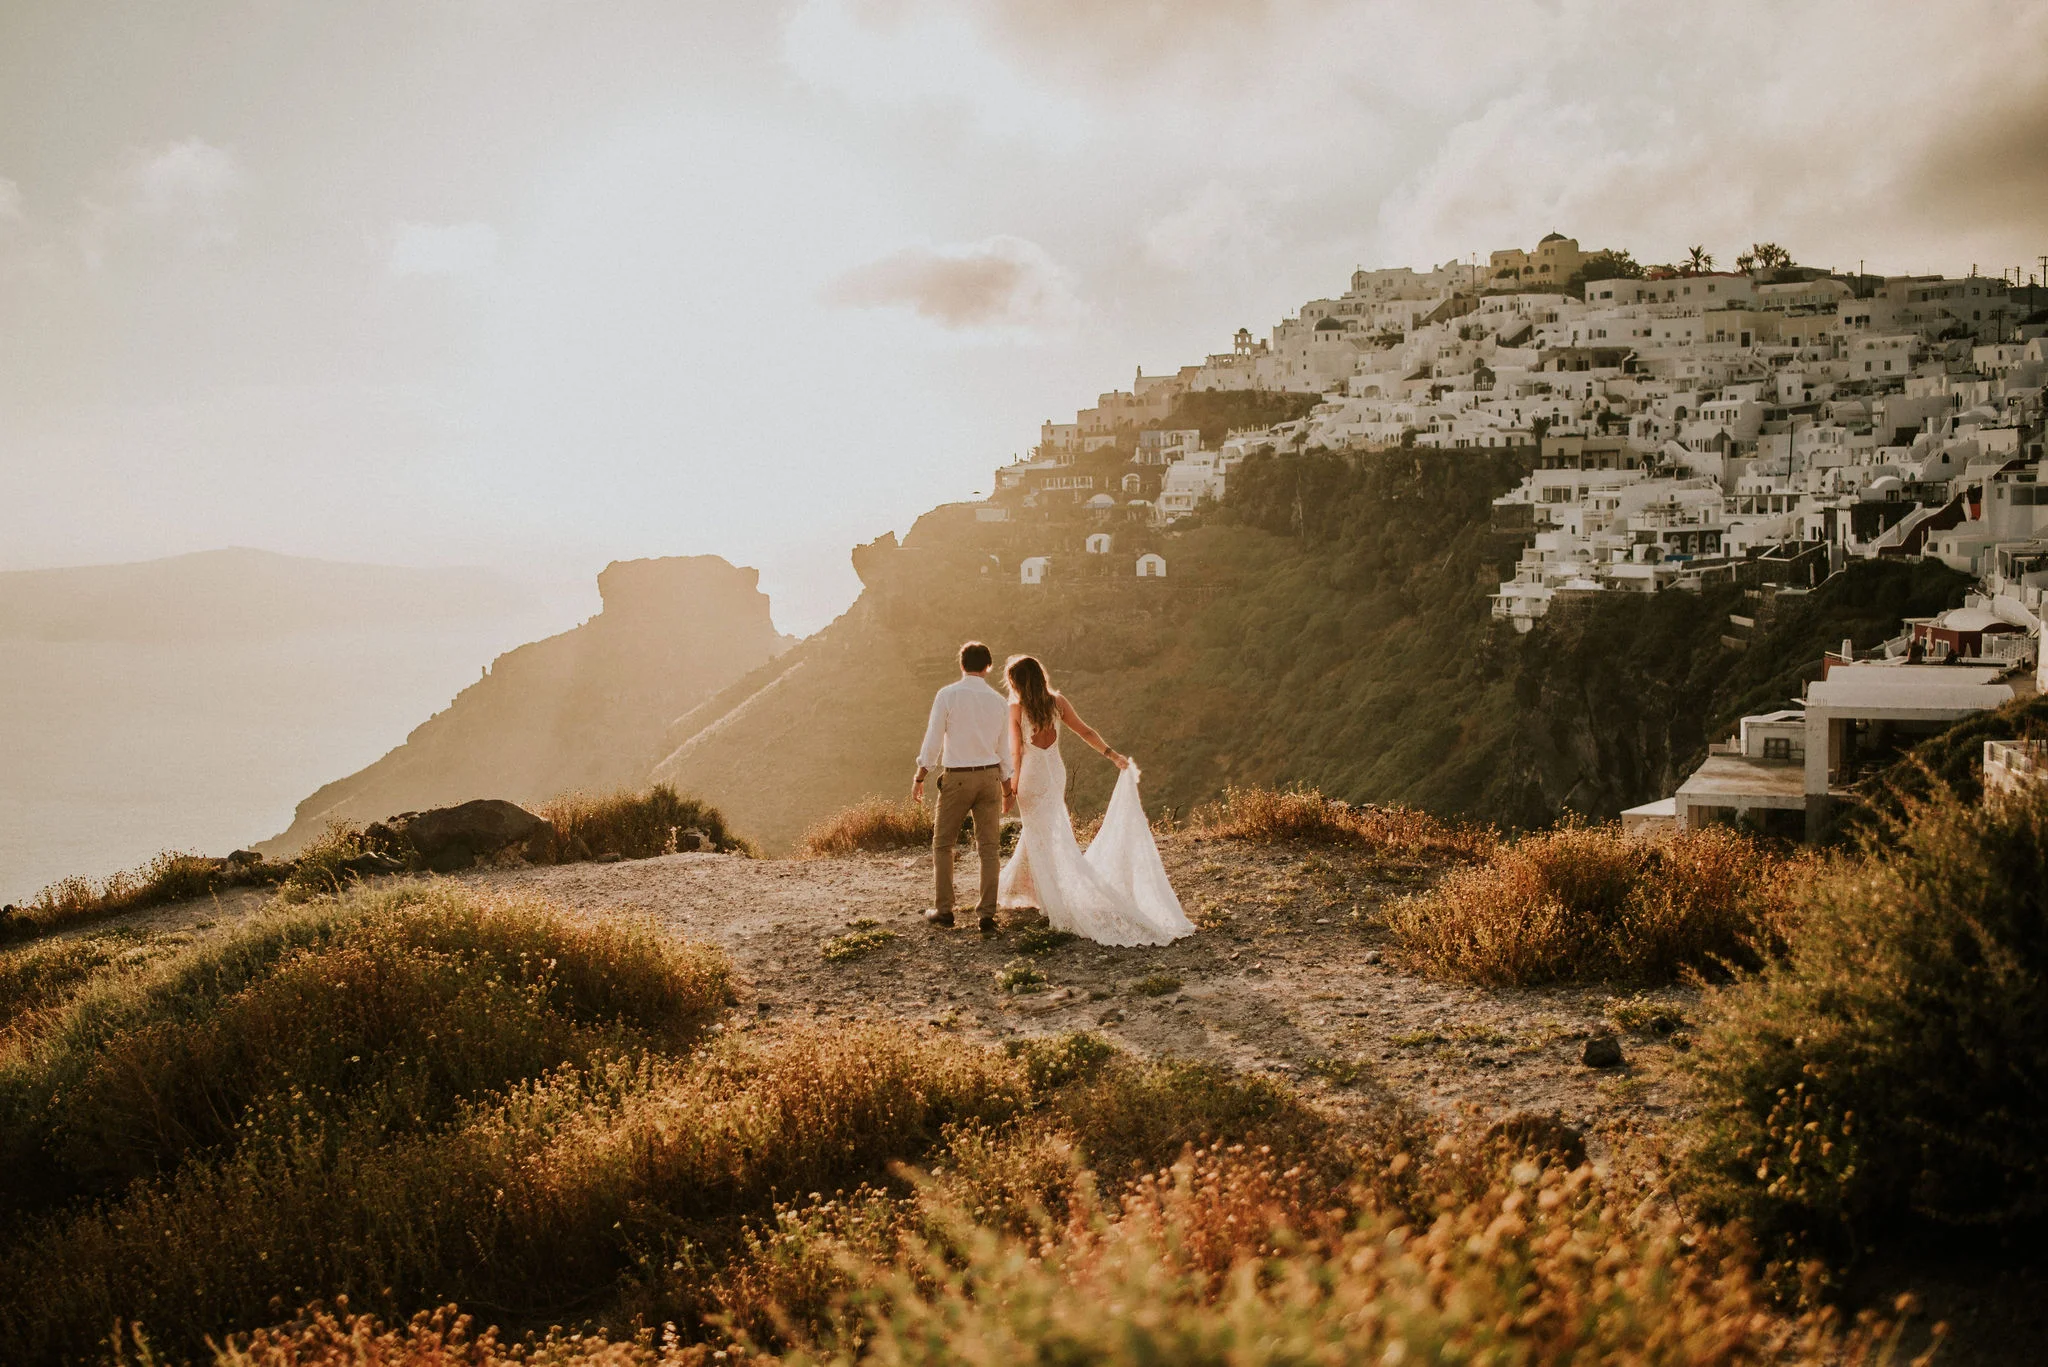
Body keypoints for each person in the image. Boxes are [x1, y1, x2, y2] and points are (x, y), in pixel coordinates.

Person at [998, 654, 1193, 947]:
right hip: (1055, 775)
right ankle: (1026, 887)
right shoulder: (1057, 702)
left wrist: (1010, 789)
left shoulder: (1016, 708)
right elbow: (1085, 731)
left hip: (1031, 777)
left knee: (1039, 834)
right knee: (1044, 833)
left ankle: (1050, 898)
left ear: (1017, 683)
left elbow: (1016, 752)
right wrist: (1111, 755)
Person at [913, 641, 1015, 932]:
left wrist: (920, 776)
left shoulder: (947, 695)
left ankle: (945, 910)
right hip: (990, 777)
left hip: (957, 778)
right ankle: (987, 915)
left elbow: (933, 740)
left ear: (961, 665)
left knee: (943, 844)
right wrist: (1007, 789)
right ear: (988, 667)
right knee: (989, 848)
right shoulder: (999, 702)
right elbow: (1004, 750)